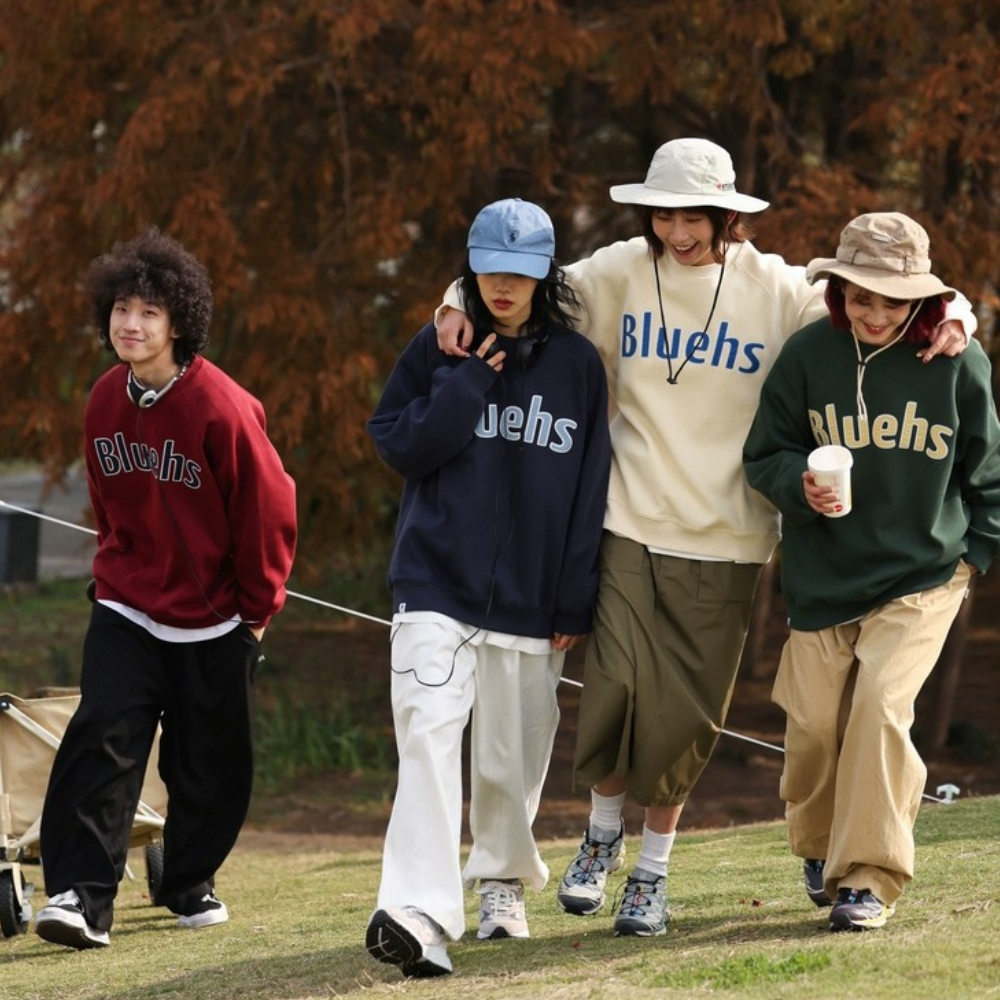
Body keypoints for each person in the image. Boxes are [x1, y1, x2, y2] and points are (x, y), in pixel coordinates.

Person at [436, 138, 977, 937]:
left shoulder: (778, 289)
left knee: (683, 720)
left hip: (728, 539)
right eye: (664, 216)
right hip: (627, 522)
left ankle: (652, 874)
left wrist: (956, 311)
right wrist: (455, 297)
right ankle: (599, 837)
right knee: (614, 694)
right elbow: (523, 289)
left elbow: (870, 299)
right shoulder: (620, 269)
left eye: (695, 217)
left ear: (728, 217)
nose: (678, 233)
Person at [364, 198, 611, 977]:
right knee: (428, 741)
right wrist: (466, 383)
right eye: (490, 270)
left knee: (510, 761)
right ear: (469, 266)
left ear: (544, 274)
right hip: (434, 586)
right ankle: (420, 914)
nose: (502, 286)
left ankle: (501, 882)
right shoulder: (440, 348)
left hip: (534, 603)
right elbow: (399, 444)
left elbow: (588, 484)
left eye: (521, 272)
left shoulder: (577, 366)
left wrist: (573, 595)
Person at [34, 227, 298, 949]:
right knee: (103, 740)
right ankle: (81, 898)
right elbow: (108, 504)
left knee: (210, 764)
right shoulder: (102, 402)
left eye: (148, 311)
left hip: (216, 619)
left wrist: (259, 611)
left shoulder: (223, 409)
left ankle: (185, 879)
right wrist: (117, 573)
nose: (131, 324)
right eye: (121, 309)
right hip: (127, 604)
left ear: (178, 322)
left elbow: (269, 508)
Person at [743, 212, 1000, 931]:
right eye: (862, 296)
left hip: (924, 574)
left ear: (921, 300)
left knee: (881, 709)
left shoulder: (956, 362)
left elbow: (989, 473)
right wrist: (800, 483)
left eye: (894, 300)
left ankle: (868, 879)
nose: (876, 313)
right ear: (839, 290)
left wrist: (974, 554)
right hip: (824, 577)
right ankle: (821, 848)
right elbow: (765, 453)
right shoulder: (806, 356)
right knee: (816, 729)